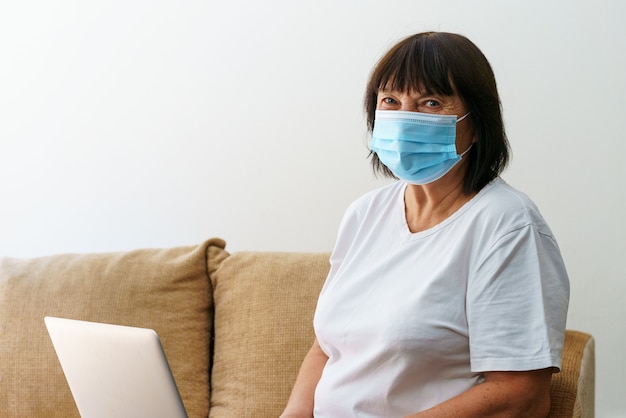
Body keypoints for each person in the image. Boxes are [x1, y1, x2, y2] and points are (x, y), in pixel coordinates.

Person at [280, 31, 569, 418]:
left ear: (477, 119)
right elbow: (327, 348)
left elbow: (520, 396)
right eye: (391, 101)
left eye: (431, 102)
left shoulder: (508, 226)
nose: (405, 118)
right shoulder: (365, 213)